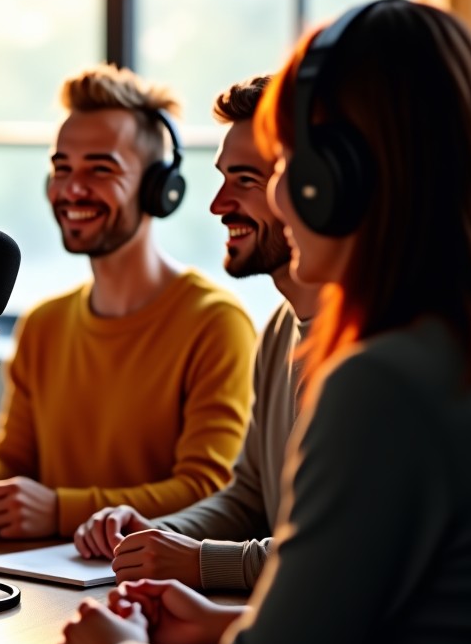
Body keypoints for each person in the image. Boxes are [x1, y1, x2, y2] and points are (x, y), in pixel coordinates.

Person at [56, 0, 471, 644]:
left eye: (288, 169)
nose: (279, 196)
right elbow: (399, 628)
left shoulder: (382, 383)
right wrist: (229, 624)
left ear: (340, 179)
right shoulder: (439, 343)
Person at [0, 63, 256, 539]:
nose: (73, 188)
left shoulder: (215, 322)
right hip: (36, 575)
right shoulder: (44, 323)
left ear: (159, 189)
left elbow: (207, 490)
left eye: (100, 169)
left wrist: (60, 510)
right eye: (62, 168)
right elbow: (13, 459)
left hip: (144, 575)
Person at [74, 75, 322, 592]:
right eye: (223, 178)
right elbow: (248, 497)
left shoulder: (372, 346)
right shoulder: (280, 329)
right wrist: (160, 533)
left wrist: (199, 561)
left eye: (246, 180)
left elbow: (336, 553)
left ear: (311, 189)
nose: (217, 204)